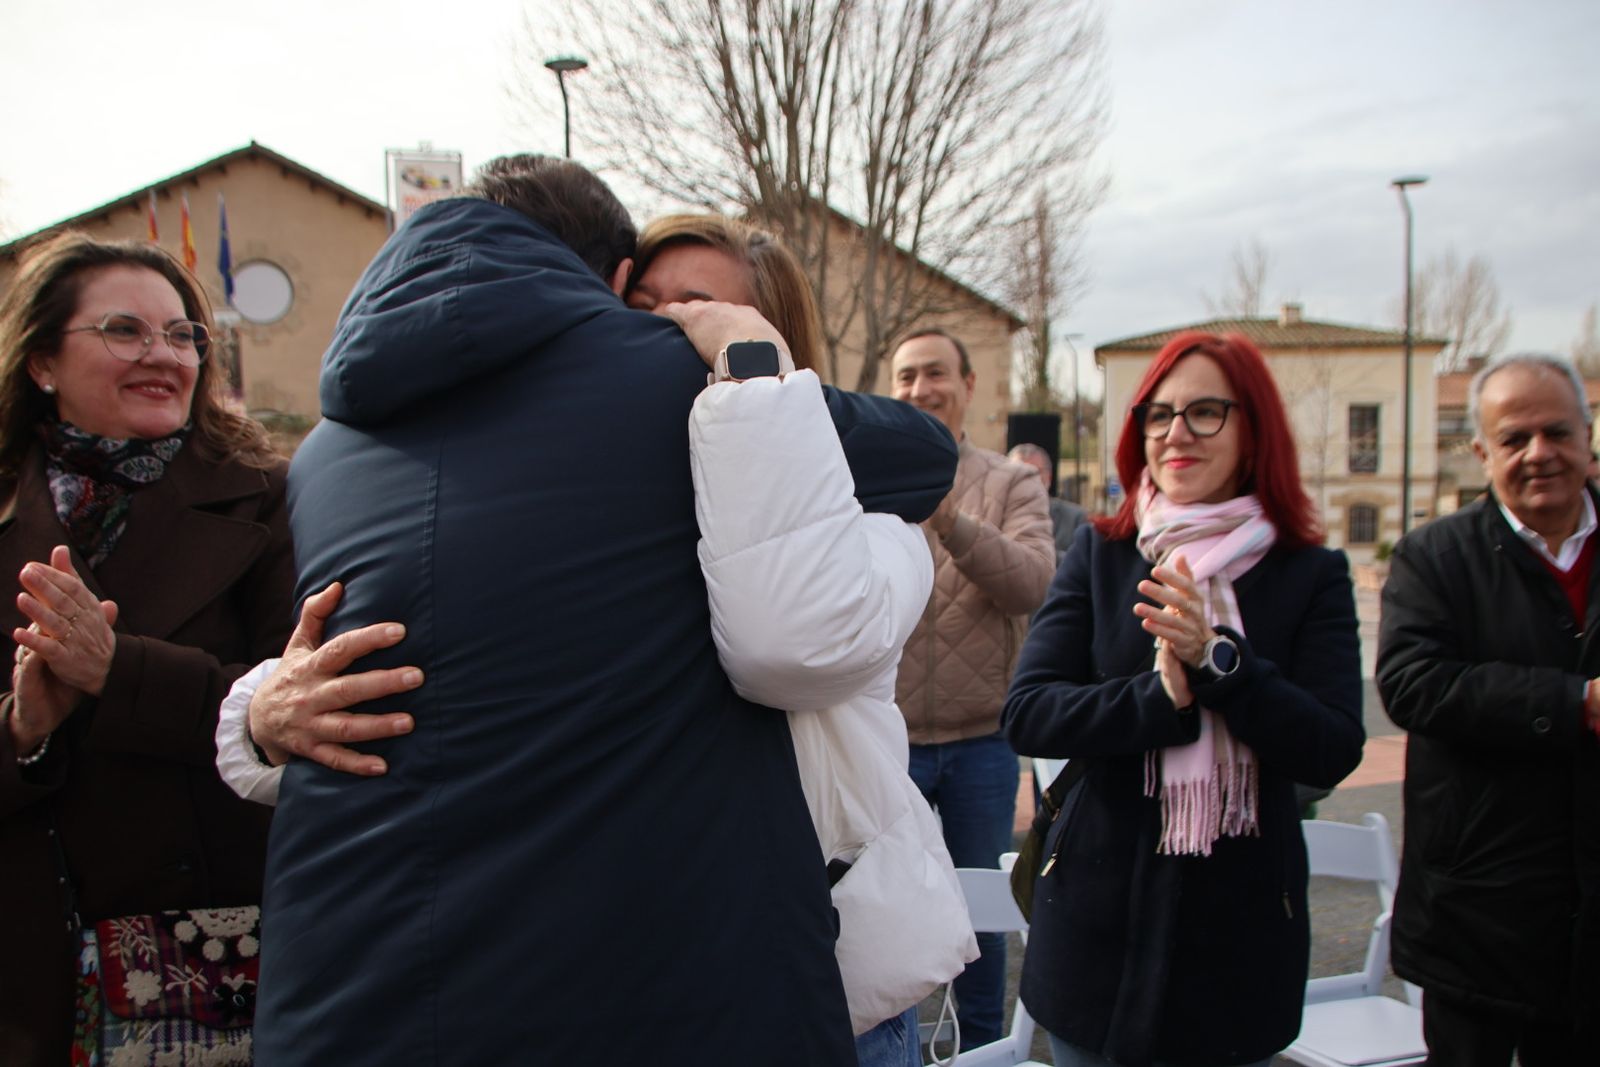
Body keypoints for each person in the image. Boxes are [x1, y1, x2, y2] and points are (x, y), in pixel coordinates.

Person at [239, 157, 960, 1064]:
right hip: (644, 981)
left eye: (699, 305)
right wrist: (747, 359)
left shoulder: (325, 451)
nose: (668, 326)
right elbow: (925, 454)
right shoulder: (673, 387)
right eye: (652, 303)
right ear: (613, 284)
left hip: (355, 990)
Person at [1002, 330, 1365, 1067]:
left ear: (1253, 425)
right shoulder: (1104, 553)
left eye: (1205, 411)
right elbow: (1029, 710)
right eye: (1158, 413)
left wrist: (1218, 663)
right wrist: (1156, 698)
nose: (1176, 432)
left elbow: (1333, 744)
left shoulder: (1310, 572)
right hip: (1094, 940)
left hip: (1237, 945)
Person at [0, 233, 294, 1064]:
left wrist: (116, 670)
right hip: (34, 972)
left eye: (183, 335)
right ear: (42, 363)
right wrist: (23, 731)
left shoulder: (265, 497)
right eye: (125, 330)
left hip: (218, 960)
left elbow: (296, 701)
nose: (162, 355)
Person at [1377, 353, 1597, 1065]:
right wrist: (1575, 702)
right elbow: (1412, 683)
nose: (1540, 454)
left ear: (1588, 435)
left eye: (1558, 432)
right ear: (1480, 452)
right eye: (1514, 438)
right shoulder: (1433, 556)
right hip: (1476, 915)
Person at [889, 327, 1056, 1047]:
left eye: (935, 373)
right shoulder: (866, 476)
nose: (920, 388)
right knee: (882, 922)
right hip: (885, 747)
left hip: (982, 746)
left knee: (980, 922)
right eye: (905, 376)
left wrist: (949, 518)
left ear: (969, 385)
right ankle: (894, 1048)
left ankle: (985, 1048)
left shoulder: (1011, 481)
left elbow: (1033, 583)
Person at [1009, 441, 1090, 564]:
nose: (1026, 481)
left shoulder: (1076, 518)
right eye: (1018, 474)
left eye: (1033, 473)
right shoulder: (994, 517)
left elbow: (1083, 564)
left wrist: (1038, 554)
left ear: (1049, 477)